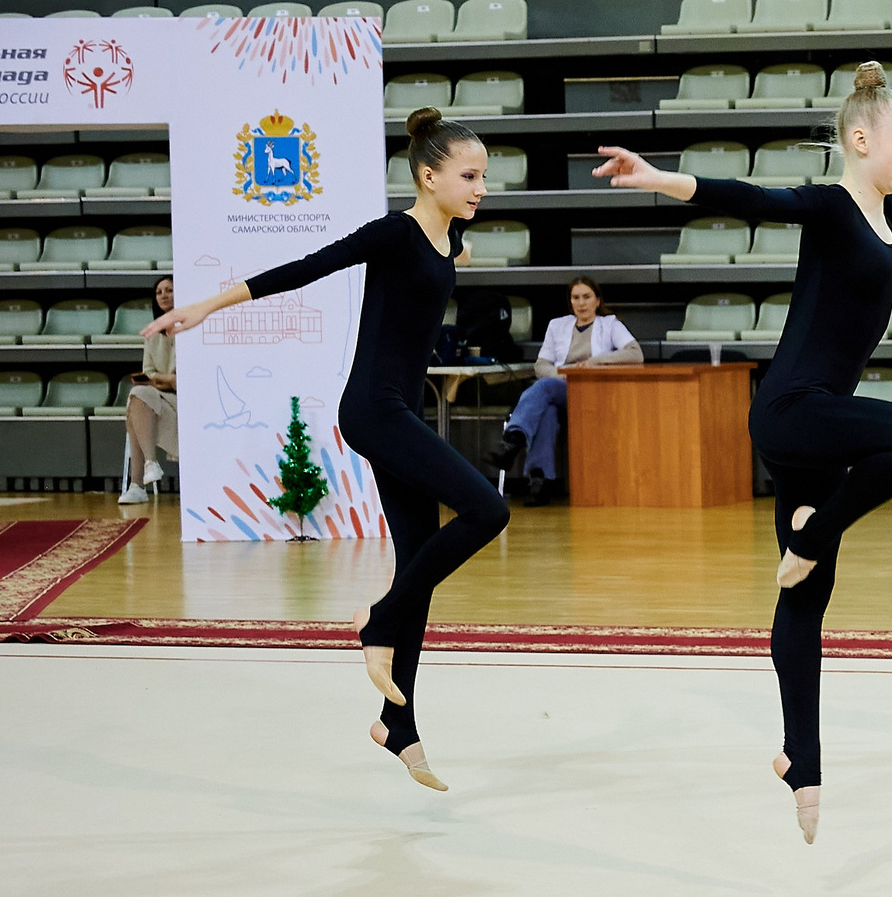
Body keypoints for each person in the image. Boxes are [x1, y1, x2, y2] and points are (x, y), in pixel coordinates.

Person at [593, 62, 892, 846]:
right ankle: (814, 534)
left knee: (805, 596)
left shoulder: (891, 221)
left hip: (814, 427)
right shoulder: (830, 205)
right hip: (791, 411)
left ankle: (803, 761)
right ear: (861, 140)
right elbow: (749, 199)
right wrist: (660, 179)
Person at [145, 109, 508, 793]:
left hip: (394, 409)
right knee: (488, 510)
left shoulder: (450, 231)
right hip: (374, 411)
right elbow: (307, 268)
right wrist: (207, 307)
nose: (481, 187)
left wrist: (455, 254)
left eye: (483, 175)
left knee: (421, 558)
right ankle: (380, 617)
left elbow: (443, 264)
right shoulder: (395, 234)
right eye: (469, 175)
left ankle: (395, 724)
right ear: (428, 177)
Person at [493, 275, 639, 505]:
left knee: (543, 390)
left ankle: (513, 440)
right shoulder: (557, 325)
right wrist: (564, 374)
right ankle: (539, 481)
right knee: (547, 408)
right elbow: (541, 365)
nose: (581, 303)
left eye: (586, 297)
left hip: (591, 390)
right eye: (575, 298)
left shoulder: (610, 324)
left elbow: (634, 353)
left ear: (597, 300)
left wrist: (595, 362)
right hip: (560, 386)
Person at [118, 273, 176, 505]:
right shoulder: (152, 334)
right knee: (137, 395)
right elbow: (148, 372)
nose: (163, 295)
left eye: (169, 290)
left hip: (184, 398)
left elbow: (181, 380)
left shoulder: (189, 328)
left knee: (136, 402)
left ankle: (137, 484)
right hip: (159, 394)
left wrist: (162, 380)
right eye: (159, 292)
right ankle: (149, 465)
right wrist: (165, 379)